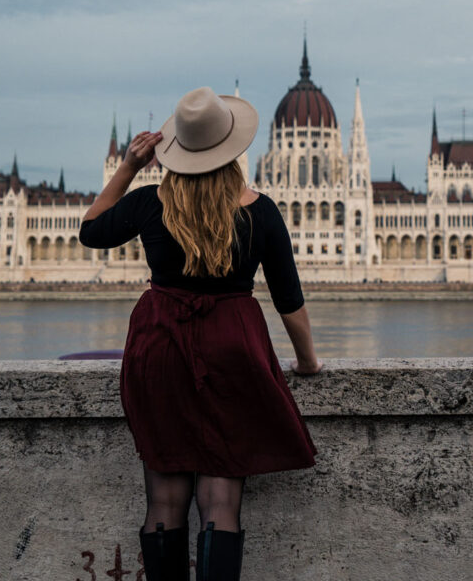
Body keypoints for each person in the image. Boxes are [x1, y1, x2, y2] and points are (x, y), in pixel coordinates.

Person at [80, 86, 323, 581]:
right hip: (232, 349)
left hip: (159, 346)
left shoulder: (152, 203)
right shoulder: (261, 211)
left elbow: (91, 229)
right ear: (232, 151)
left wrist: (129, 166)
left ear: (175, 152)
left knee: (164, 498)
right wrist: (308, 361)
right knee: (220, 499)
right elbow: (288, 300)